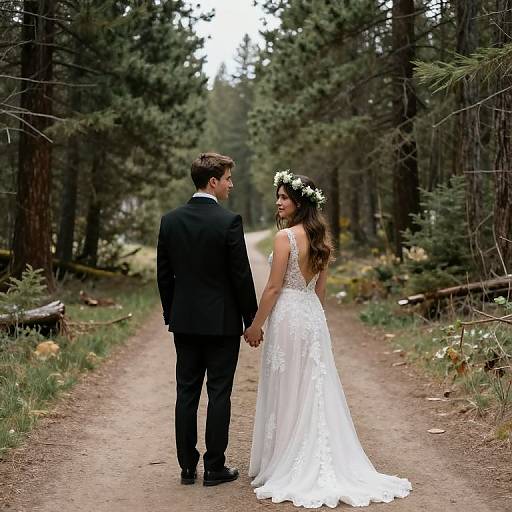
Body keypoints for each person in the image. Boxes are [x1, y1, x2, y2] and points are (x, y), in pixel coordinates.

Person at [244, 171, 412, 508]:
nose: (278, 202)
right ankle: (306, 452)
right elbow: (319, 293)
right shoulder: (322, 238)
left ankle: (287, 460)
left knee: (289, 385)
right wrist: (316, 325)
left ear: (300, 201)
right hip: (310, 318)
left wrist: (255, 325)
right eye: (277, 196)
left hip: (289, 316)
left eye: (284, 198)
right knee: (311, 386)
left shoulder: (284, 238)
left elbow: (274, 287)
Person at [157, 152, 261, 487]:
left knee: (186, 392)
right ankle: (215, 468)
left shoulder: (170, 220)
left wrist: (173, 312)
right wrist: (251, 320)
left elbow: (164, 276)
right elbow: (241, 277)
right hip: (221, 324)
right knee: (219, 394)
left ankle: (187, 467)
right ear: (213, 181)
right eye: (228, 178)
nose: (232, 184)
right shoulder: (229, 222)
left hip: (185, 323)